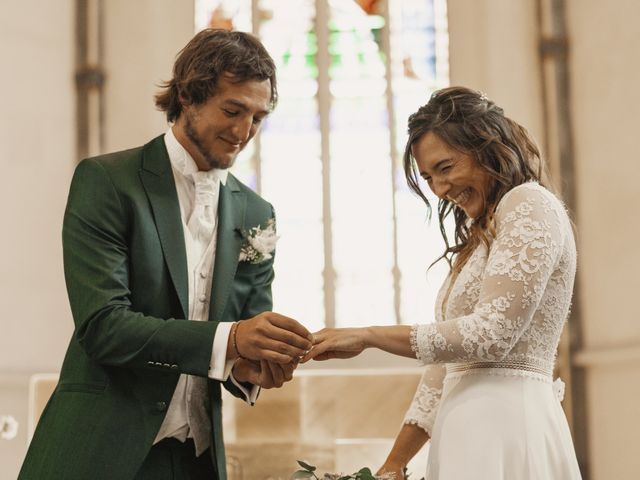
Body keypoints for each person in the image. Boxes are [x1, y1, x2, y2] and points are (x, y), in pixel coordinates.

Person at [19, 29, 313, 480]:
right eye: (232, 110)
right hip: (100, 452)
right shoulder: (110, 181)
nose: (242, 132)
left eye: (257, 118)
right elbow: (104, 327)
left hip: (196, 458)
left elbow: (244, 328)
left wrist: (256, 365)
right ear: (188, 96)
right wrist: (230, 340)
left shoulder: (257, 213)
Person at [304, 87, 582, 479]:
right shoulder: (481, 233)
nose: (438, 190)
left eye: (445, 168)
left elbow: (494, 334)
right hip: (464, 435)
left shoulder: (529, 204)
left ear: (486, 145)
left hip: (507, 430)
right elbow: (446, 367)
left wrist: (368, 335)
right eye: (429, 177)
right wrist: (394, 463)